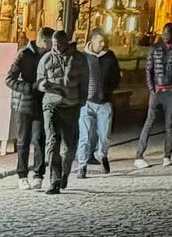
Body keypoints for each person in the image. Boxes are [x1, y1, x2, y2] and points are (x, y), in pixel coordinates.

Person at [36, 30, 88, 193]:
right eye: (54, 43)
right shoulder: (46, 59)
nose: (57, 47)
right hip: (51, 105)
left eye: (60, 43)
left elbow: (85, 83)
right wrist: (41, 85)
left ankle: (65, 172)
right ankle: (54, 179)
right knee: (52, 142)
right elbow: (38, 80)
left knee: (69, 147)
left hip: (71, 106)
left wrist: (81, 101)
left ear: (66, 42)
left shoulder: (79, 59)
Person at [134, 22, 172, 168]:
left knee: (169, 123)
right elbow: (148, 69)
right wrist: (151, 88)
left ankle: (167, 155)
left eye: (168, 34)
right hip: (157, 90)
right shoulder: (154, 49)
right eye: (163, 34)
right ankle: (139, 155)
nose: (165, 36)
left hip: (171, 91)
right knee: (149, 122)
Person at [9, 28, 52, 190]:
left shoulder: (49, 56)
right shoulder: (24, 54)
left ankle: (38, 174)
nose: (53, 46)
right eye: (51, 42)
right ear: (43, 41)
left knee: (40, 139)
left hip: (42, 103)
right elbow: (9, 79)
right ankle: (21, 175)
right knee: (23, 140)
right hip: (24, 104)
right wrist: (30, 87)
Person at [76, 32, 120, 179]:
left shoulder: (109, 57)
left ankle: (102, 154)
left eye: (104, 42)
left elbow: (115, 77)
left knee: (105, 135)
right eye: (100, 41)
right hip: (86, 102)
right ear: (93, 41)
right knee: (84, 135)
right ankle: (82, 165)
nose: (103, 44)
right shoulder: (83, 57)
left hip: (104, 101)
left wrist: (109, 89)